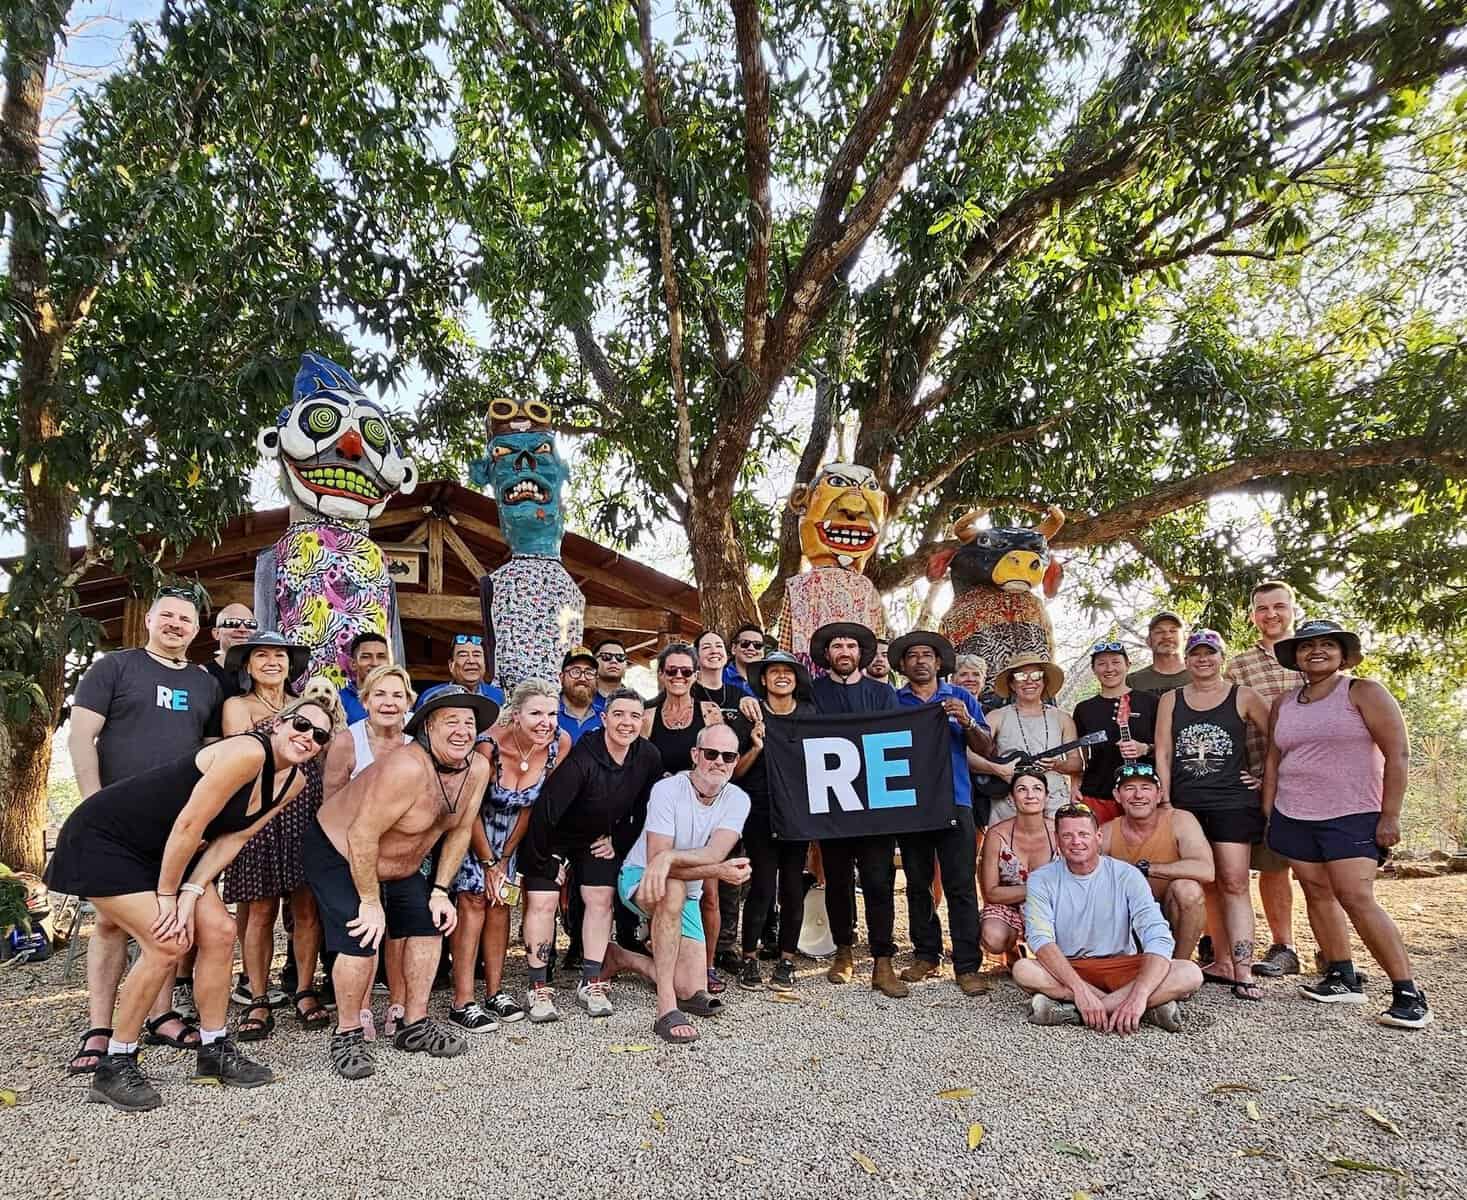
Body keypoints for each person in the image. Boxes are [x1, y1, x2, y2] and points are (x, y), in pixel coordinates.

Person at [46, 698, 331, 1110]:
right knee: (168, 941)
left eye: (319, 735)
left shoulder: (294, 782)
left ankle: (214, 1050)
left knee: (220, 930)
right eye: (301, 725)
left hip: (166, 851)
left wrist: (193, 891)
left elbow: (232, 839)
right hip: (106, 840)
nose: (307, 737)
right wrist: (168, 898)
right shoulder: (246, 752)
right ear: (278, 723)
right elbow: (189, 824)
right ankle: (116, 1062)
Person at [65, 587, 223, 1076]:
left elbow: (215, 752)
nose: (176, 624)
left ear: (196, 630)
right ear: (150, 620)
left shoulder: (204, 683)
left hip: (178, 823)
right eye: (168, 616)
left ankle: (161, 1016)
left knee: (171, 920)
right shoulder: (114, 666)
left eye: (186, 619)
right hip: (115, 820)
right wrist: (94, 801)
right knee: (112, 923)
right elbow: (81, 735)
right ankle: (99, 1026)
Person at [305, 685, 497, 1079]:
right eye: (451, 721)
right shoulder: (406, 767)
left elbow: (460, 830)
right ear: (426, 727)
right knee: (361, 937)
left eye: (469, 722)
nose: (462, 730)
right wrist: (370, 902)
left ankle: (414, 1024)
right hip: (340, 851)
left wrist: (441, 891)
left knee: (428, 927)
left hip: (402, 864)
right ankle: (347, 1033)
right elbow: (361, 836)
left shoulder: (477, 768)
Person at [1264, 620, 1430, 1029]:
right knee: (1316, 892)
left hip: (1352, 811)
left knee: (1356, 896)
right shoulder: (1284, 702)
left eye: (1326, 645)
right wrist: (1269, 811)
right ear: (1295, 657)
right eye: (1306, 647)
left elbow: (1399, 755)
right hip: (1294, 813)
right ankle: (1341, 973)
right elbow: (1273, 758)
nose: (1315, 652)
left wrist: (1390, 814)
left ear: (1342, 652)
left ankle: (1407, 989)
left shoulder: (1363, 691)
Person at [602, 724, 753, 1044]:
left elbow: (712, 853)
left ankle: (622, 957)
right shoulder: (668, 790)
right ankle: (665, 1009)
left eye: (728, 756)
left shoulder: (738, 799)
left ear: (736, 760)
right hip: (640, 878)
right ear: (695, 755)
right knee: (672, 890)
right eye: (711, 754)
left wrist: (672, 859)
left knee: (691, 987)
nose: (718, 762)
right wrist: (715, 869)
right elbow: (656, 859)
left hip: (688, 889)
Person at [520, 689, 664, 1022]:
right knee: (542, 900)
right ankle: (537, 987)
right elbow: (546, 811)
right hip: (552, 837)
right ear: (604, 719)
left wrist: (620, 839)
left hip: (596, 838)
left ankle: (591, 979)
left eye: (633, 715)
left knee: (601, 898)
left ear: (642, 720)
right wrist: (546, 860)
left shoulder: (648, 756)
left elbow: (648, 808)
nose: (626, 723)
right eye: (618, 715)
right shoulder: (585, 756)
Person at [215, 632, 328, 1040]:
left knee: (306, 910)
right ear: (246, 665)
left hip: (305, 813)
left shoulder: (309, 707)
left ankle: (303, 989)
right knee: (259, 912)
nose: (271, 662)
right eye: (260, 656)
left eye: (279, 656)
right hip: (259, 814)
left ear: (290, 664)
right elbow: (241, 756)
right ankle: (258, 997)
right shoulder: (236, 706)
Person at [448, 678, 570, 1032]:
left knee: (501, 904)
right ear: (516, 715)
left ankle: (495, 991)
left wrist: (504, 860)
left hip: (512, 840)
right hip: (472, 832)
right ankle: (463, 999)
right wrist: (488, 861)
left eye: (551, 713)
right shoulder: (487, 746)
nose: (545, 721)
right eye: (536, 713)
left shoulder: (557, 745)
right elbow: (466, 808)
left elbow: (532, 808)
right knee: (472, 904)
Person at [1014, 804, 1203, 1033]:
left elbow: (1157, 934)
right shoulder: (1041, 879)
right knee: (1024, 969)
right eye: (1067, 835)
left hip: (1123, 965)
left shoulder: (1127, 875)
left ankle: (1079, 1011)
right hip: (1071, 968)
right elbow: (1040, 939)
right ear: (1057, 840)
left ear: (1098, 837)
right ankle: (1141, 1009)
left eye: (1083, 834)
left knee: (1189, 972)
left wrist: (1140, 993)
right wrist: (1080, 990)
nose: (1076, 841)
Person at [1155, 630, 1271, 1002]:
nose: (1203, 660)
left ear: (1222, 657)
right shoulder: (1172, 699)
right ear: (1186, 659)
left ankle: (1243, 969)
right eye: (1195, 654)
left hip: (1232, 802)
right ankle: (1195, 963)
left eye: (1210, 653)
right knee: (1194, 883)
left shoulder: (1244, 696)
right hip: (1186, 804)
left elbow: (1278, 740)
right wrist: (1167, 800)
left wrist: (1264, 777)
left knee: (1234, 883)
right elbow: (1163, 752)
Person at [889, 630, 994, 995]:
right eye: (912, 655)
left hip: (956, 799)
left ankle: (967, 964)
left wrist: (966, 721)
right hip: (910, 802)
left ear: (938, 663)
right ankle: (925, 954)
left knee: (960, 884)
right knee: (917, 883)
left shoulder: (961, 697)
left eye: (927, 655)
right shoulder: (893, 701)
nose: (920, 660)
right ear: (902, 665)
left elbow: (988, 747)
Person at [806, 622, 907, 998]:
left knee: (880, 881)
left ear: (861, 653)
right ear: (827, 654)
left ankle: (883, 960)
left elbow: (898, 741)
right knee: (837, 879)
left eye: (851, 645)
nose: (844, 651)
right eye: (837, 645)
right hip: (832, 803)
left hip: (875, 803)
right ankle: (843, 951)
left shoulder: (883, 694)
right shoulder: (812, 694)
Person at [320, 664, 415, 1038]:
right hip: (354, 850)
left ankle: (399, 1004)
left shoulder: (416, 743)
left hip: (405, 851)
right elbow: (331, 803)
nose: (389, 703)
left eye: (397, 695)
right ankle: (359, 1010)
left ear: (409, 702)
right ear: (365, 700)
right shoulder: (347, 741)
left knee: (402, 930)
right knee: (364, 931)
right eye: (380, 694)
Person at [1225, 581, 1310, 978]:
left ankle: (1335, 952)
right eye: (1262, 608)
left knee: (1323, 872)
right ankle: (1285, 946)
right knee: (1274, 867)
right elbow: (1230, 724)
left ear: (1294, 608)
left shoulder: (1314, 655)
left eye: (1279, 606)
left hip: (1316, 778)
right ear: (1252, 615)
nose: (1271, 615)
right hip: (1263, 779)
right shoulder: (1239, 666)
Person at [732, 651, 814, 991]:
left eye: (788, 671)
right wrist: (756, 747)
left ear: (796, 679)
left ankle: (786, 960)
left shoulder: (811, 716)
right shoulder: (748, 717)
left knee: (793, 887)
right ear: (762, 680)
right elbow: (733, 773)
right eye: (774, 671)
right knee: (762, 885)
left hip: (799, 811)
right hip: (760, 810)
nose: (782, 676)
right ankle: (749, 957)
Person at [1101, 761, 1213, 961]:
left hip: (1169, 908)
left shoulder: (1180, 820)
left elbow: (1206, 870)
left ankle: (1179, 964)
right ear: (1117, 796)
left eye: (1146, 788)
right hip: (1128, 914)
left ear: (1159, 794)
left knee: (1188, 890)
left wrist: (1147, 869)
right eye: (1129, 788)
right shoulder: (1107, 831)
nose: (1138, 795)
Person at [976, 655, 1080, 822]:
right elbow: (970, 754)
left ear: (1044, 681)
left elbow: (1076, 763)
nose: (1029, 681)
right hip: (1009, 801)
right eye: (1020, 676)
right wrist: (998, 770)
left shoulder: (1062, 718)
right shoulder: (996, 716)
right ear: (1011, 684)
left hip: (1053, 799)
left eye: (1036, 675)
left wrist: (1058, 764)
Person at [1072, 640, 1158, 825]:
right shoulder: (1084, 709)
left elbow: (1169, 746)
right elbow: (1080, 755)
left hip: (1142, 796)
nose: (1109, 668)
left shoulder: (1151, 702)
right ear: (1094, 669)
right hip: (1098, 794)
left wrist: (1146, 749)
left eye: (1116, 662)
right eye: (1101, 663)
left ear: (1128, 665)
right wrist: (1074, 783)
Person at [979, 769, 1058, 961]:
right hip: (1009, 906)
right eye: (1022, 789)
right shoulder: (997, 835)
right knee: (993, 937)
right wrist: (1039, 888)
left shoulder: (1060, 831)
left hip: (1053, 907)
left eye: (1037, 789)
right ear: (1012, 798)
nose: (1030, 795)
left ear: (1046, 797)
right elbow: (991, 893)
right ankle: (1011, 949)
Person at [643, 643, 704, 774]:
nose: (679, 675)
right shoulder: (647, 717)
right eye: (672, 670)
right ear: (661, 674)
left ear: (695, 676)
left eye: (686, 671)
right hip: (658, 791)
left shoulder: (710, 713)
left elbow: (720, 761)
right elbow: (639, 765)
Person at [416, 633, 506, 710]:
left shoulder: (498, 696)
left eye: (477, 655)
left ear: (485, 663)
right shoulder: (432, 696)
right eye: (463, 655)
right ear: (451, 665)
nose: (471, 661)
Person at [1126, 612, 1190, 695]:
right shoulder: (1133, 682)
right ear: (1148, 641)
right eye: (1159, 632)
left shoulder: (1202, 675)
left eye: (1173, 631)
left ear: (1185, 638)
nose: (1167, 636)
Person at [203, 603, 256, 701]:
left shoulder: (265, 672)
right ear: (216, 633)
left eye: (250, 624)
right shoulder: (203, 674)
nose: (243, 629)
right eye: (232, 623)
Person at [337, 631, 391, 725]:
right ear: (353, 664)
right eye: (366, 657)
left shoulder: (399, 699)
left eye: (381, 656)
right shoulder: (338, 700)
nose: (375, 663)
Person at [557, 647, 604, 744]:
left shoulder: (605, 717)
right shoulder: (546, 713)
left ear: (596, 679)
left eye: (589, 672)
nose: (582, 678)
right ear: (562, 677)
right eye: (575, 671)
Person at [724, 622, 766, 696]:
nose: (751, 648)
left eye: (757, 645)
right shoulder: (719, 677)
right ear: (734, 648)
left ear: (763, 652)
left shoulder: (768, 680)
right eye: (745, 643)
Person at [593, 638, 629, 707]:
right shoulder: (581, 697)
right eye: (606, 656)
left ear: (626, 664)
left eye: (620, 657)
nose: (614, 661)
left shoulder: (638, 702)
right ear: (594, 663)